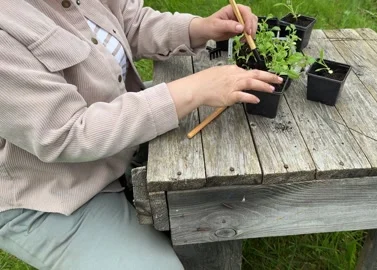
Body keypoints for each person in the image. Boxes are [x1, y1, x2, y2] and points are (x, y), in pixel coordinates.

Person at [0, 0, 282, 269]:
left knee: (207, 195)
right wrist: (192, 89)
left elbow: (131, 23)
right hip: (56, 193)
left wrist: (201, 28)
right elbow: (66, 134)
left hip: (119, 142)